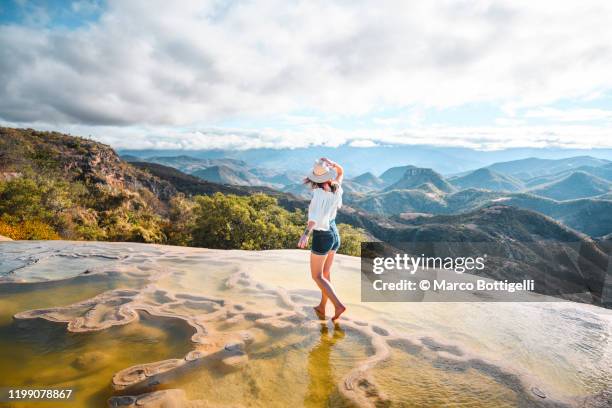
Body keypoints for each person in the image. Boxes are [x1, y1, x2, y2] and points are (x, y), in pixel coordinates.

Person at [297, 157, 346, 322]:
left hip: (322, 236)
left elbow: (314, 219)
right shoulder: (336, 187)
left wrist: (306, 234)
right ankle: (322, 306)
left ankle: (338, 305)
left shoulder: (318, 193)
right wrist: (333, 163)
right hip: (334, 233)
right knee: (325, 273)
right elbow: (341, 172)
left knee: (317, 276)